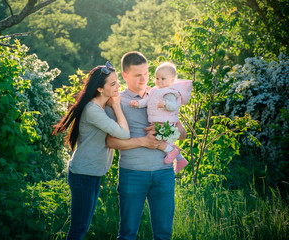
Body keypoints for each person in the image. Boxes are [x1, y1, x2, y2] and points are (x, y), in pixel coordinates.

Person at [105, 52, 187, 239]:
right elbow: (109, 141)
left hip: (164, 173)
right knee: (127, 234)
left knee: (163, 234)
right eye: (137, 75)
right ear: (124, 75)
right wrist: (143, 141)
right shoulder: (117, 102)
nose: (144, 79)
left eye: (146, 73)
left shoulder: (162, 96)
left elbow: (182, 134)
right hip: (132, 174)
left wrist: (166, 130)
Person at [53, 62, 130, 240]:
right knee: (79, 228)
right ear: (100, 89)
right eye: (113, 84)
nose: (119, 87)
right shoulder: (93, 110)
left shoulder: (101, 106)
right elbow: (124, 134)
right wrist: (117, 105)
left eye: (117, 82)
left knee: (82, 226)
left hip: (91, 173)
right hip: (83, 175)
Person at [129, 62, 192, 173]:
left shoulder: (170, 93)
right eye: (157, 78)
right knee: (162, 141)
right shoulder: (155, 90)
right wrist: (138, 104)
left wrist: (165, 104)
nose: (159, 81)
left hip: (166, 122)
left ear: (172, 80)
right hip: (158, 121)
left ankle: (174, 153)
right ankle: (180, 159)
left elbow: (172, 106)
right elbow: (148, 101)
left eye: (163, 78)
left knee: (156, 141)